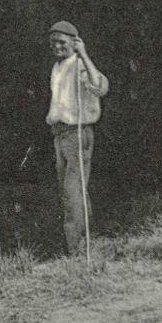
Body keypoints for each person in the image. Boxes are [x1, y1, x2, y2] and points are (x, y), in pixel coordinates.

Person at [46, 20, 110, 267]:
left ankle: (76, 250)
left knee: (72, 190)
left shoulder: (81, 65)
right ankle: (84, 241)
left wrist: (84, 55)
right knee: (71, 189)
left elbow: (100, 87)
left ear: (75, 43)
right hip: (59, 133)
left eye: (62, 43)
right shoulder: (58, 67)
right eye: (53, 43)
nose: (57, 47)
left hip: (78, 132)